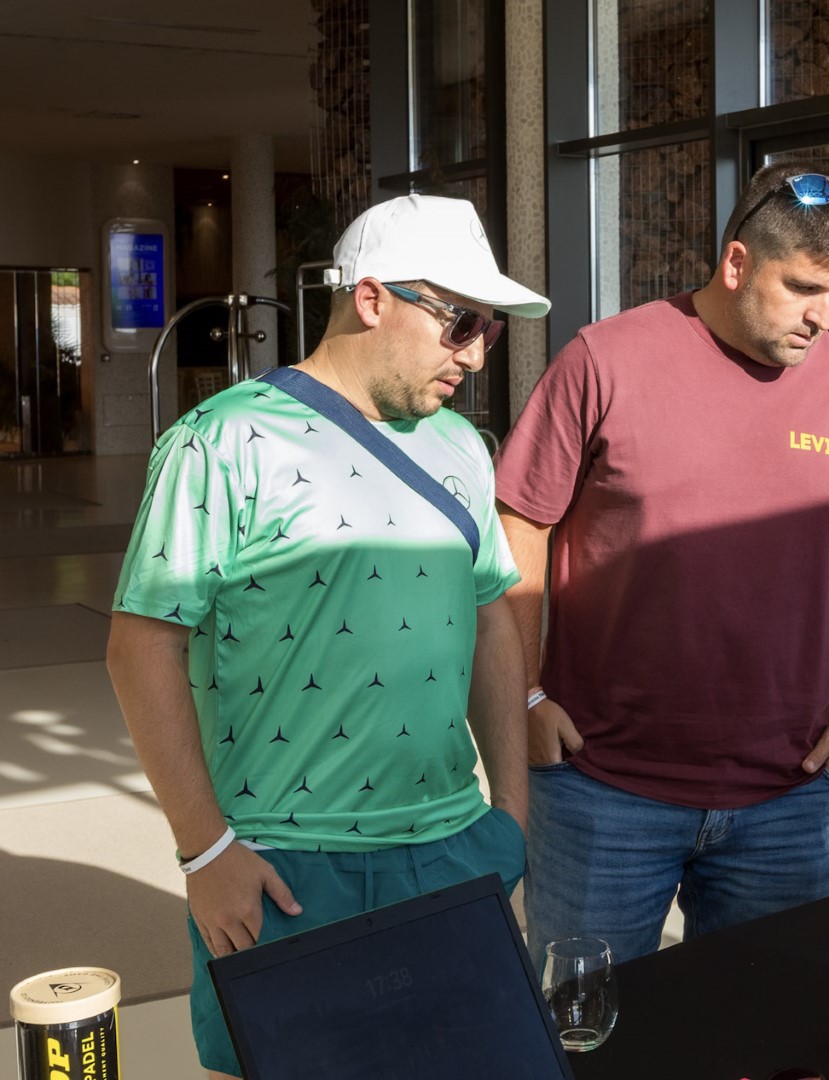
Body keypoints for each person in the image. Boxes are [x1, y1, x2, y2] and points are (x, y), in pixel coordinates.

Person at [106, 194, 546, 1080]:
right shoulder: (222, 441)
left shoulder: (462, 446)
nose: (474, 353)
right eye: (461, 323)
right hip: (286, 861)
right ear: (372, 298)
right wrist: (207, 850)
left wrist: (511, 817)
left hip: (453, 847)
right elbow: (141, 645)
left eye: (489, 331)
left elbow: (490, 612)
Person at [494, 166, 829, 963]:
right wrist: (525, 696)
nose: (822, 316)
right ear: (735, 263)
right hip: (602, 787)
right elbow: (520, 524)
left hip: (789, 794)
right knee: (590, 1024)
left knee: (760, 1022)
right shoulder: (603, 361)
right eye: (803, 288)